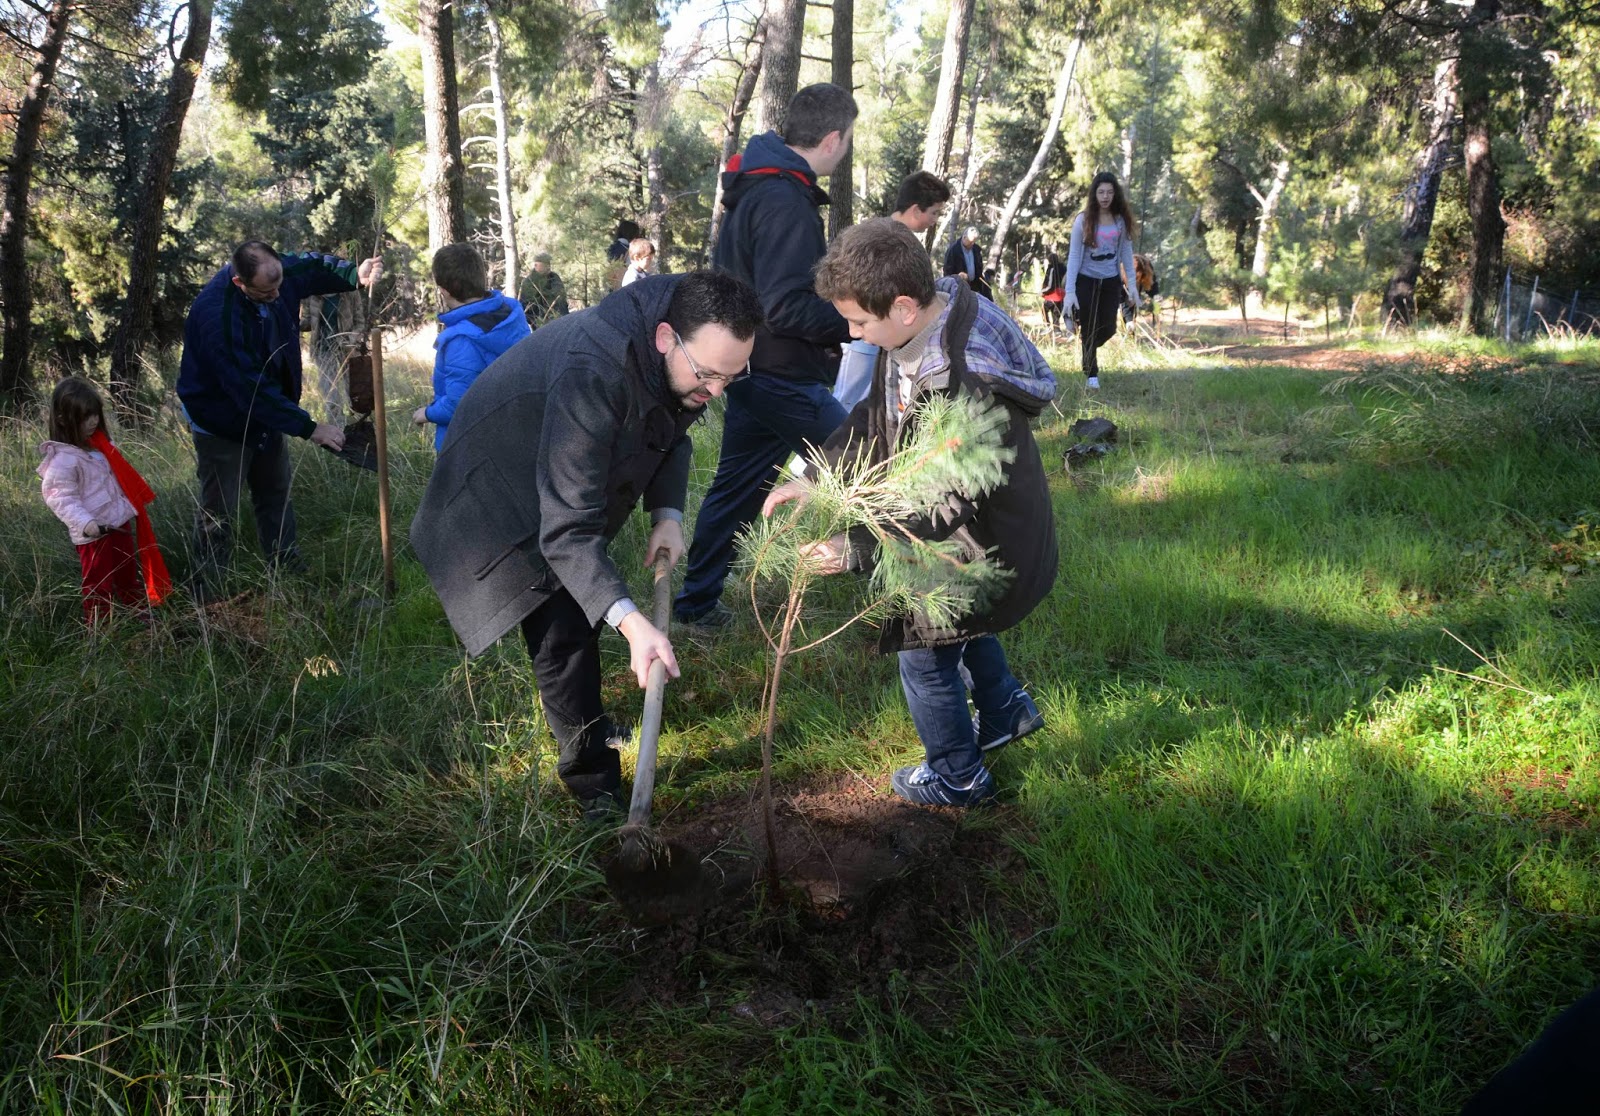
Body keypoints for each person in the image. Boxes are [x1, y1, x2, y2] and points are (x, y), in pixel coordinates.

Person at [409, 271, 763, 819]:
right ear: (665, 337)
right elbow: (566, 533)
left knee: (584, 607)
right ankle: (593, 784)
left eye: (730, 378)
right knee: (560, 632)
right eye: (708, 375)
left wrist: (666, 514)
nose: (716, 392)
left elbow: (672, 428)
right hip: (501, 492)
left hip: (557, 477)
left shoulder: (685, 356)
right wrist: (633, 621)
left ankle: (591, 725)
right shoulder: (593, 368)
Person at [763, 218, 1056, 806]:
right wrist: (812, 475)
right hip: (961, 535)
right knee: (957, 628)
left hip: (986, 539)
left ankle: (958, 778)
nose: (850, 332)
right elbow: (876, 416)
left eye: (857, 321)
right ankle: (1005, 712)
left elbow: (947, 495)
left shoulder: (964, 376)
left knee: (924, 657)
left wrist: (858, 550)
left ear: (900, 306)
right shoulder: (907, 333)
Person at [673, 82, 858, 630]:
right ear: (831, 138)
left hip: (754, 371)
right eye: (846, 140)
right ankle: (905, 585)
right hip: (780, 373)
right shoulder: (782, 199)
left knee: (735, 492)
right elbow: (782, 306)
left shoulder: (764, 188)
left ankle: (695, 608)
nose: (845, 150)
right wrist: (857, 325)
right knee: (867, 454)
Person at [176, 240, 382, 597]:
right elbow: (250, 389)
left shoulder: (280, 274)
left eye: (279, 287)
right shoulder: (217, 315)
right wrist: (310, 427)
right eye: (266, 293)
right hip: (220, 422)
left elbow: (314, 267)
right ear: (241, 283)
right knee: (218, 509)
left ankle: (287, 569)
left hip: (268, 416)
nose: (276, 297)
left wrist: (354, 274)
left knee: (275, 492)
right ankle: (208, 591)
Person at [38, 377, 170, 623]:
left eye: (95, 414)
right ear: (63, 419)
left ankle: (140, 617)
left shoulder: (100, 448)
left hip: (119, 522)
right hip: (93, 534)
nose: (94, 422)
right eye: (85, 417)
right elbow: (60, 498)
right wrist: (87, 524)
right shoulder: (62, 461)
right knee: (99, 585)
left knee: (128, 576)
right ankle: (100, 631)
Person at [412, 243, 531, 451]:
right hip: (513, 438)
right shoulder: (510, 317)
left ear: (443, 291)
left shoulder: (461, 340)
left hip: (471, 448)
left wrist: (427, 413)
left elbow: (459, 406)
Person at [1065, 171, 1140, 389]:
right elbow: (1074, 256)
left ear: (1115, 194)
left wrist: (1132, 286)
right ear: (1094, 194)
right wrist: (1070, 292)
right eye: (1101, 192)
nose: (1105, 196)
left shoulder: (1120, 221)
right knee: (1089, 326)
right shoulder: (1083, 220)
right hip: (1086, 280)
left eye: (1109, 192)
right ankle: (1091, 374)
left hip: (1110, 280)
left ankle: (1088, 345)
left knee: (1108, 328)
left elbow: (1126, 252)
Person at [302, 290, 366, 424]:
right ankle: (338, 431)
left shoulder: (349, 292)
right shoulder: (311, 293)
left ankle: (360, 426)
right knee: (331, 396)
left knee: (356, 392)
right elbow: (307, 322)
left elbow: (360, 323)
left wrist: (350, 339)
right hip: (322, 349)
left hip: (347, 350)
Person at [520, 251, 569, 330]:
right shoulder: (529, 282)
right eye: (545, 264)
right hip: (539, 322)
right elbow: (525, 305)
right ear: (536, 265)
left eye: (548, 264)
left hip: (558, 319)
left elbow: (560, 297)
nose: (548, 267)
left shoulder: (554, 277)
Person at [942, 226, 993, 299]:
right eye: (970, 241)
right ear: (964, 237)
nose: (972, 244)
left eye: (974, 241)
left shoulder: (976, 250)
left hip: (974, 287)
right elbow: (947, 271)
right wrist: (957, 277)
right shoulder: (953, 250)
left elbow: (979, 268)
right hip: (958, 288)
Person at [1040, 249, 1067, 332]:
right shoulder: (1063, 268)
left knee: (1044, 309)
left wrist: (1043, 291)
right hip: (1063, 294)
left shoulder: (1052, 269)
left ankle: (1047, 326)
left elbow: (1051, 285)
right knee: (1056, 313)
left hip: (1053, 295)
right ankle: (1057, 330)